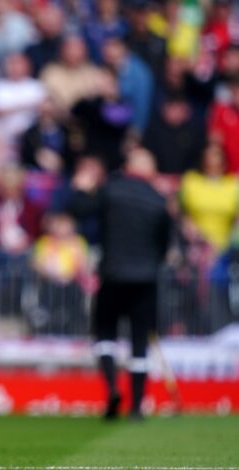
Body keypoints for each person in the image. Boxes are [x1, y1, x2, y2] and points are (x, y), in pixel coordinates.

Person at [70, 147, 172, 420]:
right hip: (146, 280)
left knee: (105, 334)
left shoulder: (111, 190)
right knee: (140, 343)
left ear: (127, 168)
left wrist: (81, 189)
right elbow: (165, 247)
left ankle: (113, 388)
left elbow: (79, 211)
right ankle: (137, 407)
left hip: (113, 275)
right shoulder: (159, 200)